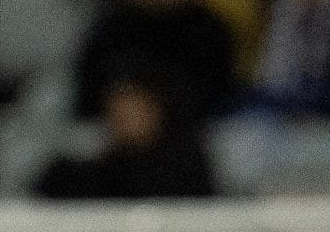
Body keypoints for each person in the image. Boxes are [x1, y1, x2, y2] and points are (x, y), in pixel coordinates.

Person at [73, 0, 239, 131]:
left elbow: (217, 95)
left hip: (188, 133)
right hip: (111, 131)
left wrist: (158, 112)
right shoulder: (112, 28)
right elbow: (88, 92)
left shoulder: (208, 29)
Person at [35, 75, 216, 198]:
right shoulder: (83, 170)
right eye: (116, 109)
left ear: (155, 110)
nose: (123, 116)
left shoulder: (186, 167)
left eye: (133, 109)